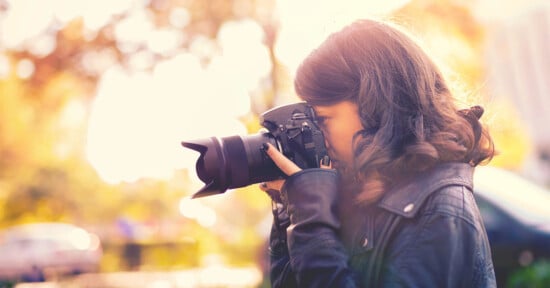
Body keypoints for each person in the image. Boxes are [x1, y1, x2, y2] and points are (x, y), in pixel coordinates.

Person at [259, 18, 497, 287]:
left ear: (375, 107)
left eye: (323, 120)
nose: (317, 134)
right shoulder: (365, 194)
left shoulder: (438, 211)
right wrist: (290, 211)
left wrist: (312, 225)